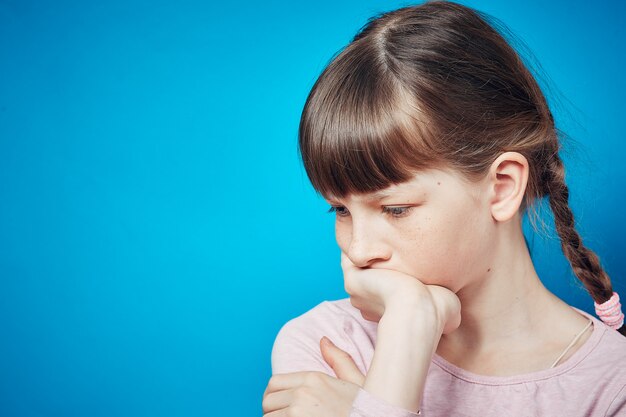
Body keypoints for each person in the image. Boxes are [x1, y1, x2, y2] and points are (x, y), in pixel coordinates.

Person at [262, 1, 626, 416]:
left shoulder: (610, 388)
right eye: (340, 211)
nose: (358, 251)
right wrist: (407, 328)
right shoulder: (328, 343)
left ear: (502, 187)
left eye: (395, 208)